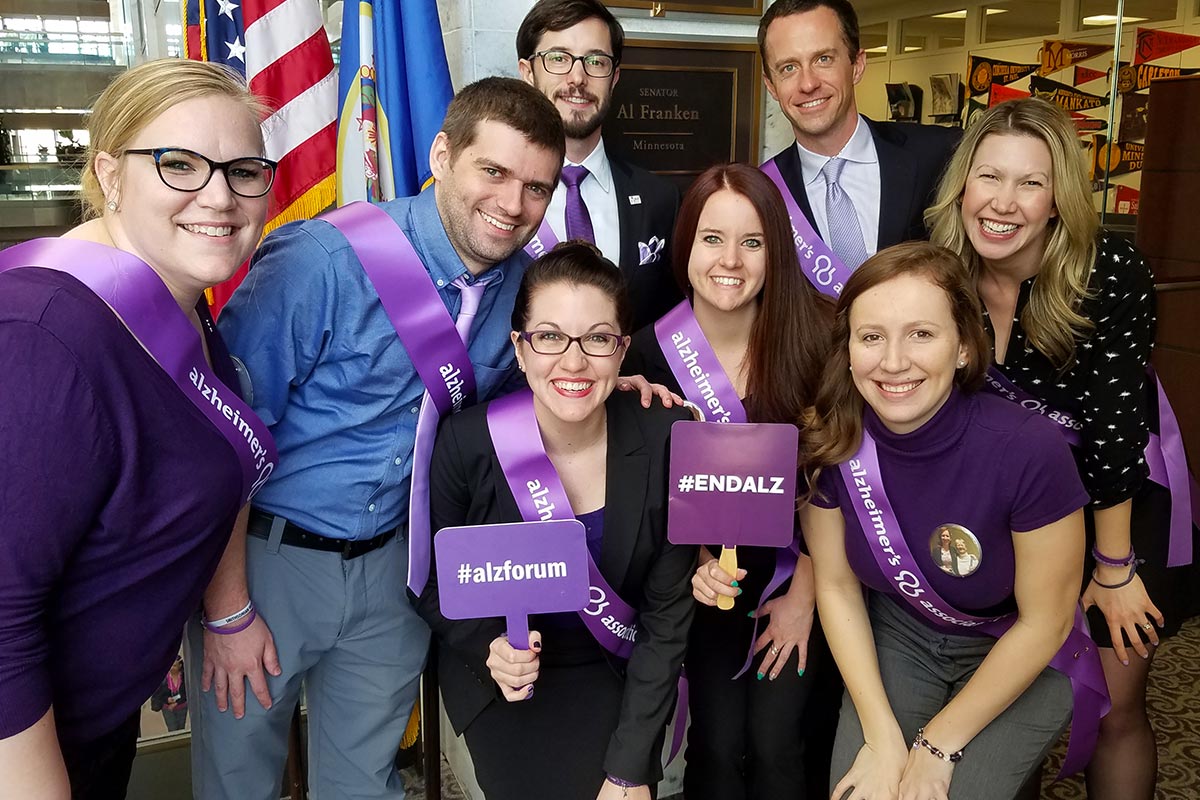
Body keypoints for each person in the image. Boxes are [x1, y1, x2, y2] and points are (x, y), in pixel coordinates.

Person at [185, 78, 566, 800]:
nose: (513, 205)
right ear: (442, 154)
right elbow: (223, 441)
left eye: (537, 188)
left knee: (365, 783)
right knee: (239, 780)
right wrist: (226, 606)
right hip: (265, 564)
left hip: (397, 571)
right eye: (494, 172)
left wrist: (624, 381)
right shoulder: (322, 259)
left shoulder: (526, 290)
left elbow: (538, 405)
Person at [0, 59, 274, 799]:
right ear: (110, 174)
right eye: (178, 164)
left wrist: (230, 612)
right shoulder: (42, 337)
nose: (219, 197)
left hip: (95, 724)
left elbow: (220, 449)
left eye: (244, 169)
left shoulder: (179, 304)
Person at [927, 96, 1192, 800]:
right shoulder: (942, 268)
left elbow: (1113, 435)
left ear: (1057, 200)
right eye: (989, 176)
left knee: (1113, 707)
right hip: (1013, 515)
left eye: (1030, 183)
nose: (1002, 202)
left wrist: (1112, 569)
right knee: (1011, 703)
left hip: (1119, 508)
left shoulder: (1110, 272)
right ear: (963, 184)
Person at [798, 241, 1095, 800]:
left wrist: (935, 747)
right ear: (849, 349)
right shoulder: (832, 437)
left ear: (962, 346)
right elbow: (835, 587)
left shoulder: (1028, 447)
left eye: (921, 334)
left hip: (1020, 644)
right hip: (903, 633)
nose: (892, 362)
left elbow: (1046, 622)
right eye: (871, 337)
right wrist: (884, 738)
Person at [416, 243, 696, 799]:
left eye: (597, 339)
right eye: (549, 336)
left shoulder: (664, 438)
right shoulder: (467, 442)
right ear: (520, 349)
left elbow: (667, 619)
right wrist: (489, 646)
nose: (573, 362)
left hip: (618, 669)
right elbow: (429, 580)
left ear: (621, 353)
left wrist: (629, 769)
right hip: (504, 680)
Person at [621, 163, 830, 799]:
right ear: (685, 248)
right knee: (714, 748)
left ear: (775, 250)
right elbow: (640, 495)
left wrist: (806, 597)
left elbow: (844, 480)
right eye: (712, 239)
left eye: (752, 241)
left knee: (777, 747)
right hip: (695, 585)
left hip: (799, 580)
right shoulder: (645, 357)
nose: (730, 261)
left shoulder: (816, 339)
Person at [757, 0, 958, 291]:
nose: (808, 83)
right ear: (771, 85)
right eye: (789, 68)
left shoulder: (939, 154)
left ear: (857, 65)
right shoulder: (762, 191)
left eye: (823, 59)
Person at [518, 0, 681, 328]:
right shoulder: (498, 198)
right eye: (559, 58)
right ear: (527, 73)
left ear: (614, 77)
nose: (578, 78)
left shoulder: (661, 199)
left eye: (595, 61)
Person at [151, 657, 189, 733]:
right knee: (172, 729)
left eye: (174, 666)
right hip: (167, 708)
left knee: (181, 729)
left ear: (180, 666)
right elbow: (159, 694)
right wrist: (167, 700)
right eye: (170, 666)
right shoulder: (163, 678)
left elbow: (187, 692)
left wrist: (176, 703)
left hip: (182, 707)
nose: (172, 668)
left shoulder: (185, 676)